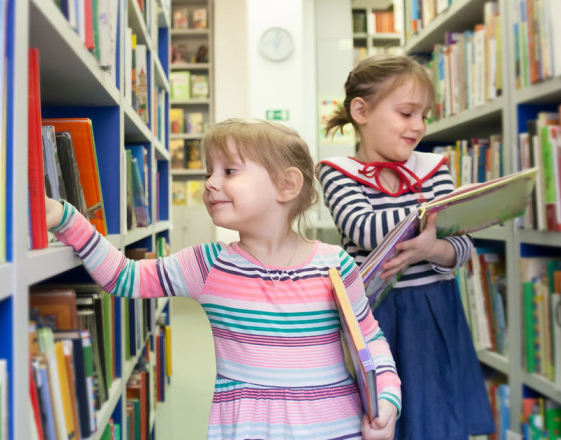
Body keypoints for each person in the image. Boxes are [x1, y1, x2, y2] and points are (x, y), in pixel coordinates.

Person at [46, 118, 401, 440]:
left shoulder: (334, 264)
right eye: (209, 172)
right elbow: (125, 278)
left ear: (287, 185)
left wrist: (387, 398)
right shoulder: (207, 265)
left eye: (229, 171)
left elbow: (369, 338)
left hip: (336, 429)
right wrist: (66, 219)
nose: (210, 183)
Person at [317, 54, 495, 440]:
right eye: (406, 113)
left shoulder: (433, 168)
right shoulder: (338, 173)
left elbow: (462, 246)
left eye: (423, 115)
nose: (418, 126)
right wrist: (436, 215)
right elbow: (364, 229)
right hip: (376, 316)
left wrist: (430, 249)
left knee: (438, 417)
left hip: (435, 310)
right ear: (361, 111)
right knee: (381, 420)